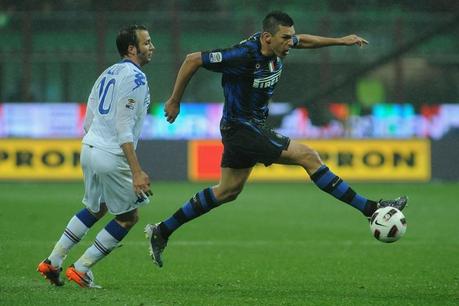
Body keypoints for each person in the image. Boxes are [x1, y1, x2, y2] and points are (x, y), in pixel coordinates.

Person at [145, 11, 407, 268]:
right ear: (267, 37)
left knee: (227, 191)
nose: (290, 42)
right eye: (285, 38)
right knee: (307, 156)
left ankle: (162, 230)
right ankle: (371, 208)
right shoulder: (243, 55)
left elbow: (303, 40)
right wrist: (174, 100)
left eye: (290, 37)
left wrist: (341, 40)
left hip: (248, 128)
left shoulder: (280, 44)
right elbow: (192, 60)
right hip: (241, 128)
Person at [37, 24, 155, 287]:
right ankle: (81, 268)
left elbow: (89, 118)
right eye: (147, 43)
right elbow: (124, 128)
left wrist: (94, 145)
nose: (152, 47)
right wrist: (136, 171)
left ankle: (53, 261)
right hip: (111, 153)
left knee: (96, 207)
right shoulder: (136, 78)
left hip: (89, 147)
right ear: (132, 49)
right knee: (128, 218)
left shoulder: (107, 73)